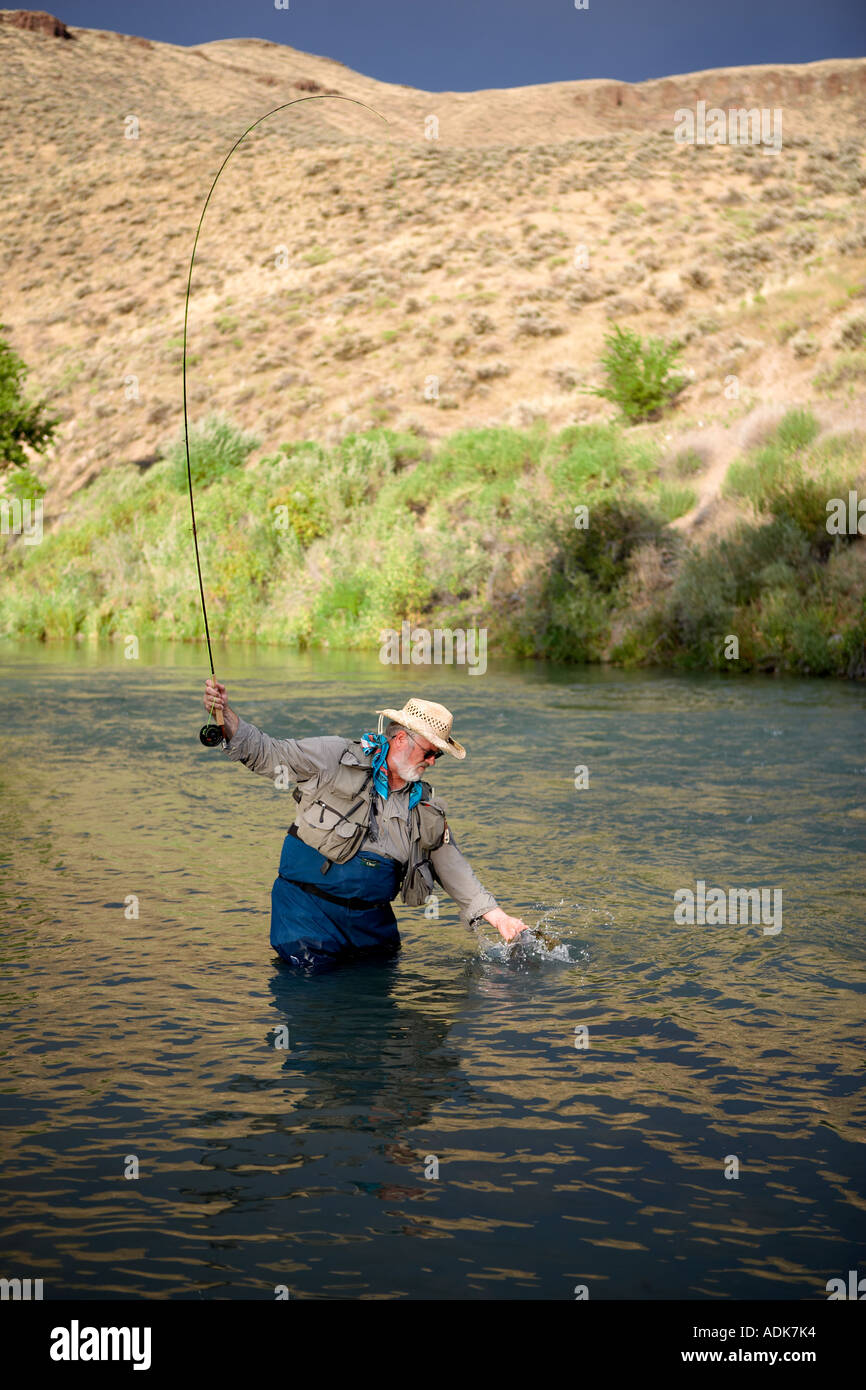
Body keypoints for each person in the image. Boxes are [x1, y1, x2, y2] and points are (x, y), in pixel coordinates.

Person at [203, 681, 528, 972]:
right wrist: (226, 715)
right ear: (401, 739)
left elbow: (452, 866)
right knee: (310, 992)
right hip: (305, 911)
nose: (431, 763)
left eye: (437, 757)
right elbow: (266, 752)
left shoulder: (427, 808)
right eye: (429, 753)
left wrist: (498, 917)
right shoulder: (333, 756)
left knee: (376, 1010)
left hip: (371, 926)